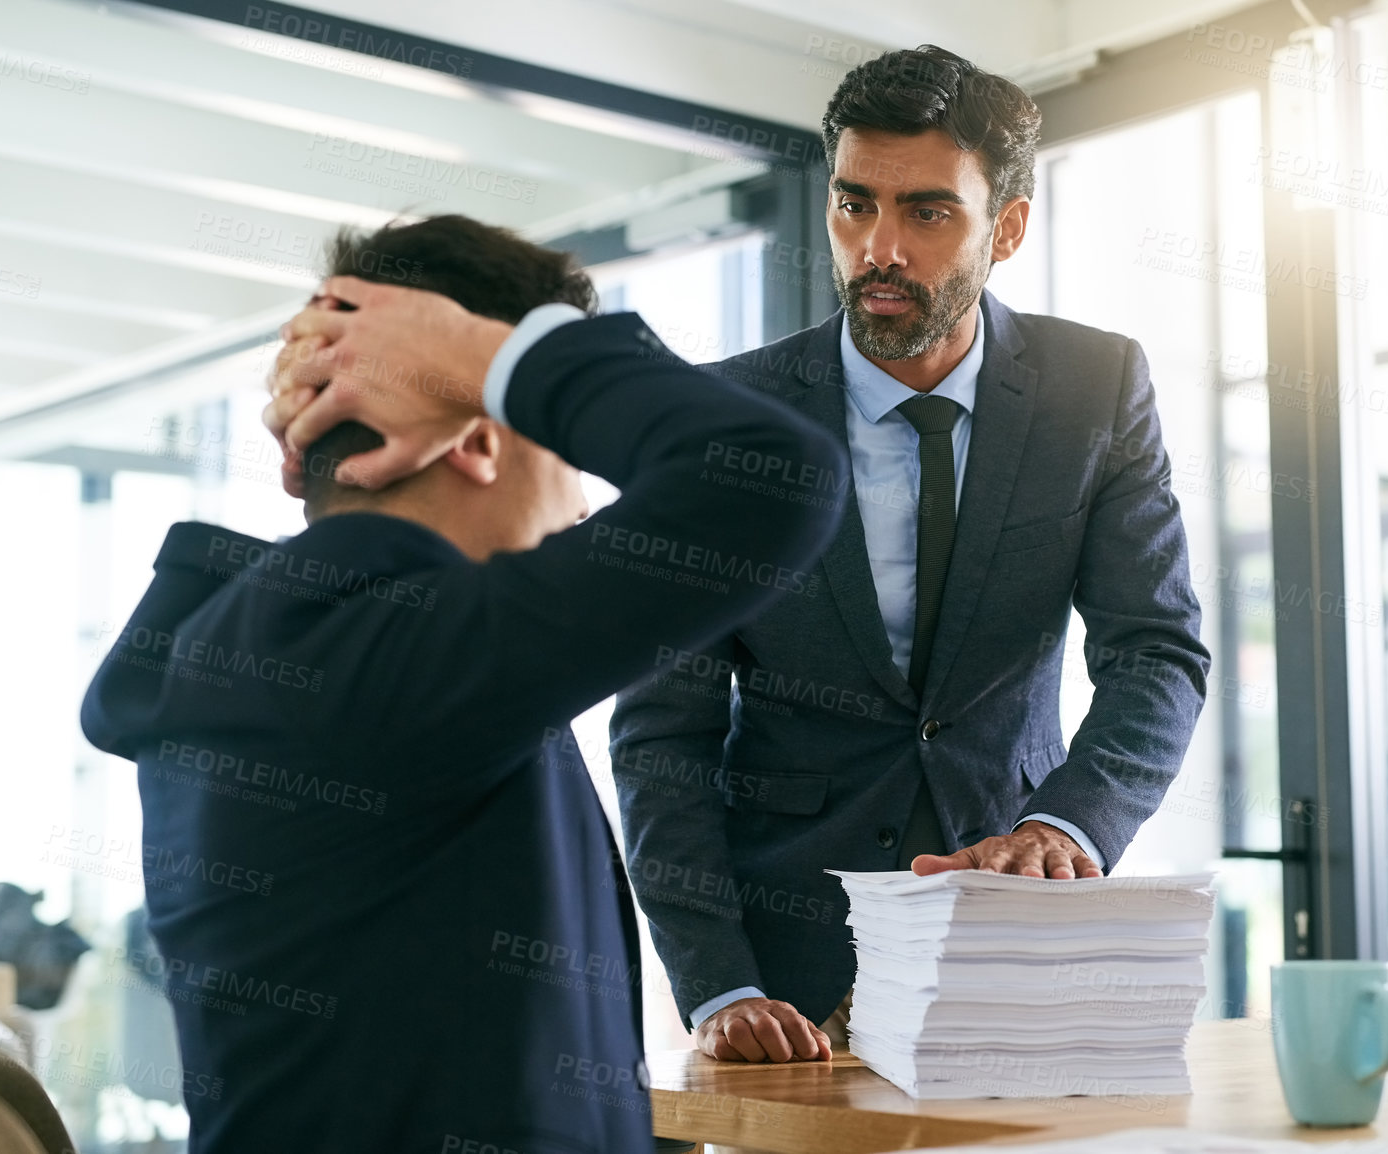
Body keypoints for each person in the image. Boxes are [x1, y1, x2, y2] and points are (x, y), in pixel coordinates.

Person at [80, 214, 845, 1151]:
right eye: (567, 456)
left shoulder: (319, 649)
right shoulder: (363, 655)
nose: (582, 506)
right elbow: (768, 479)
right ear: (483, 441)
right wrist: (489, 356)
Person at [605, 44, 1212, 1063]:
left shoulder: (1092, 390)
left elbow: (1155, 651)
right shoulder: (723, 419)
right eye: (853, 206)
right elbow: (663, 732)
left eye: (926, 212)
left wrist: (1070, 825)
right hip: (783, 977)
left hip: (1009, 940)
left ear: (1005, 228)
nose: (877, 248)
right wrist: (718, 984)